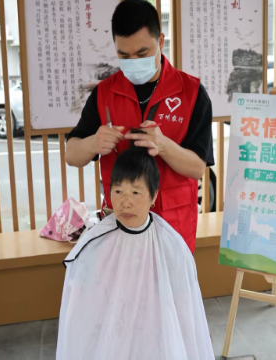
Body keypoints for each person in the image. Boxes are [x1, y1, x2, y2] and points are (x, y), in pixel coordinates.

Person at [65, 0, 214, 252]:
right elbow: (71, 155)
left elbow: (197, 168)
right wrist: (93, 143)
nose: (133, 61)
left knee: (170, 280)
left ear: (161, 42)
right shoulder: (104, 93)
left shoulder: (191, 93)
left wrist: (164, 146)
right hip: (120, 223)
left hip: (173, 225)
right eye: (124, 56)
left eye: (142, 54)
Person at [56, 147, 215, 360]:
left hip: (155, 334)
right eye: (118, 191)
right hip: (111, 334)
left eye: (136, 192)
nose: (126, 202)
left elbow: (184, 308)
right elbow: (81, 303)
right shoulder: (95, 241)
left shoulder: (171, 243)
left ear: (153, 196)